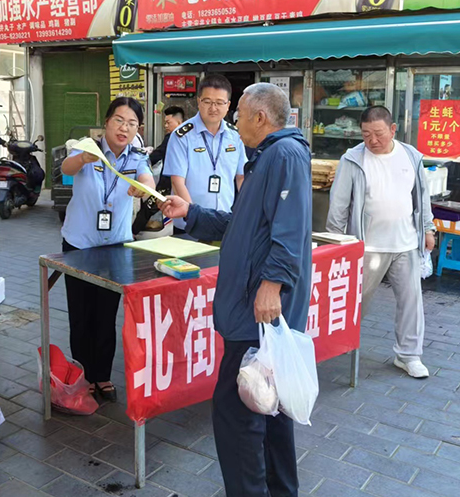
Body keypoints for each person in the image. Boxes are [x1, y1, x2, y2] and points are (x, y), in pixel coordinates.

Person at [160, 83, 312, 496]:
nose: (234, 121)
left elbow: (290, 230)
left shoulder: (283, 154)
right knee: (269, 407)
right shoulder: (266, 157)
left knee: (237, 413)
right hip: (253, 307)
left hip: (256, 310)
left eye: (239, 113)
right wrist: (191, 212)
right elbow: (243, 225)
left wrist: (272, 285)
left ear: (260, 117)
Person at [326, 106, 435, 379]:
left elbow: (421, 197)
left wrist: (428, 229)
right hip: (367, 246)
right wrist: (335, 242)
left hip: (406, 243)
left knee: (411, 302)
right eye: (366, 134)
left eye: (378, 133)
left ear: (393, 129)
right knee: (355, 300)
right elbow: (338, 204)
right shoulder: (353, 159)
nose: (372, 140)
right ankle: (336, 344)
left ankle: (409, 355)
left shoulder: (411, 156)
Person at [60, 97, 155, 402]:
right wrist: (83, 160)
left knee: (106, 313)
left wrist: (143, 188)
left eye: (132, 123)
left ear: (138, 128)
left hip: (115, 246)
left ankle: (102, 375)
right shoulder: (87, 147)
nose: (124, 128)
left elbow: (147, 180)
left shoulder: (137, 156)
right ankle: (84, 374)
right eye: (119, 120)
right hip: (79, 243)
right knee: (81, 313)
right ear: (106, 122)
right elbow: (65, 167)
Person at [164, 74, 247, 235]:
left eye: (219, 103)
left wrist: (245, 213)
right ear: (198, 101)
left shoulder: (235, 135)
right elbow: (177, 182)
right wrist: (194, 216)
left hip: (223, 222)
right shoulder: (182, 136)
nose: (213, 108)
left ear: (228, 105)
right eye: (207, 102)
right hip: (189, 225)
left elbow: (241, 177)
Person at [131, 107, 185, 235]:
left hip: (167, 184)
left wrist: (142, 164)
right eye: (165, 123)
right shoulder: (187, 137)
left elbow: (158, 154)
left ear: (179, 122)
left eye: (168, 122)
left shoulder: (173, 137)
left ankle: (132, 233)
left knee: (148, 208)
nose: (165, 126)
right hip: (179, 183)